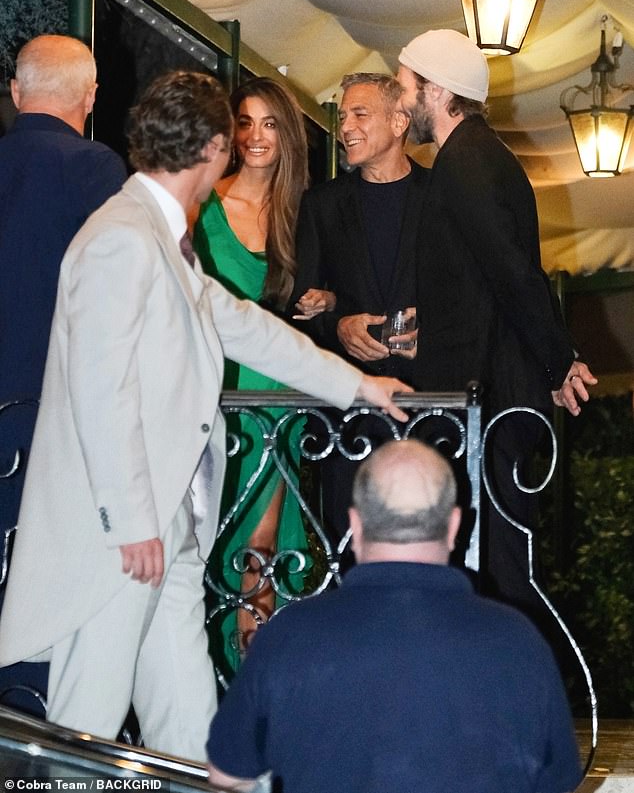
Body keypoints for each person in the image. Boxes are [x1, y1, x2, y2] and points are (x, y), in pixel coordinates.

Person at [0, 70, 410, 762]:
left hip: (167, 530)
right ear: (216, 149)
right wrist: (133, 524)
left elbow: (247, 327)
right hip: (122, 540)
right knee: (84, 735)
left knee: (188, 728)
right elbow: (102, 391)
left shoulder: (161, 238)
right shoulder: (123, 238)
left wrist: (360, 387)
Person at [206, 439, 583, 793]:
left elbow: (226, 775)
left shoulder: (286, 637)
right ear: (454, 527)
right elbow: (559, 780)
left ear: (354, 526)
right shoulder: (518, 642)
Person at [396, 29, 597, 612]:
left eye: (407, 85)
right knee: (489, 561)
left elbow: (513, 274)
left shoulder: (467, 164)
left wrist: (560, 361)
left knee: (499, 566)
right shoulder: (474, 158)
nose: (400, 99)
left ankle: (514, 692)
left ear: (437, 92)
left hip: (489, 400)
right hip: (484, 397)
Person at [0, 34, 126, 714]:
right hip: (46, 428)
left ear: (17, 94)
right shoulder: (96, 169)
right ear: (90, 97)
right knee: (38, 606)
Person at [193, 77, 327, 672]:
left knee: (263, 547)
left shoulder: (306, 215)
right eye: (245, 123)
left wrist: (328, 303)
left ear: (288, 136)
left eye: (270, 124)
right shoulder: (203, 205)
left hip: (279, 400)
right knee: (213, 545)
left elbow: (332, 299)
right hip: (216, 394)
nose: (255, 137)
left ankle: (259, 680)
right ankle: (216, 683)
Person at [289, 72, 428, 545]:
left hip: (429, 406)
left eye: (360, 114)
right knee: (349, 552)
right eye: (343, 115)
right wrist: (337, 324)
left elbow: (467, 296)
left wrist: (432, 331)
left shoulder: (441, 197)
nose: (345, 125)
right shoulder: (321, 205)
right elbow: (298, 306)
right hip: (349, 418)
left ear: (399, 121)